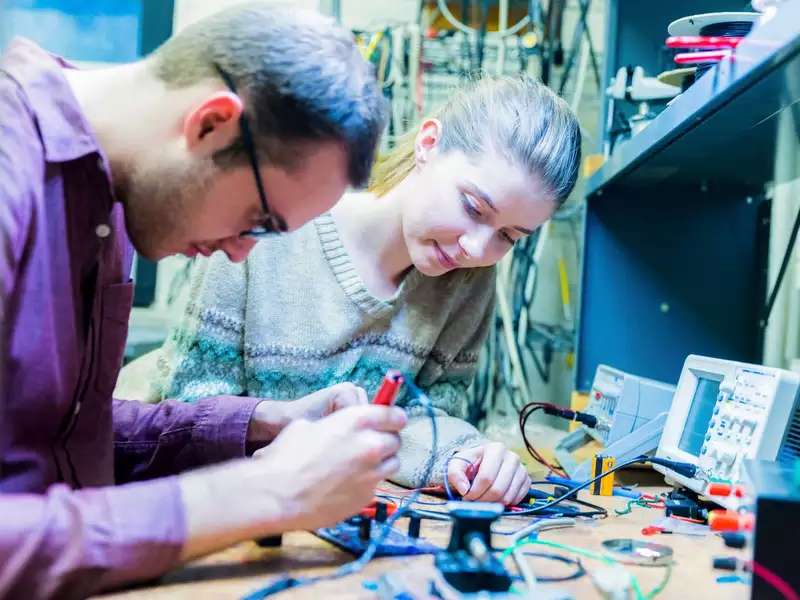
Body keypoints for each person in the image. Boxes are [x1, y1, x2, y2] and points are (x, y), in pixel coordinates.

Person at [0, 5, 404, 598]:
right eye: (258, 222)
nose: (241, 254)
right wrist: (267, 493)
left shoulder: (115, 196)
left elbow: (49, 434)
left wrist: (263, 425)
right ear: (211, 123)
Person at [120, 74, 582, 506]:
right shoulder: (272, 229)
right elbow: (189, 407)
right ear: (428, 144)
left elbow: (425, 416)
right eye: (473, 208)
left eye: (509, 236)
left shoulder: (469, 279)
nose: (475, 246)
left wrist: (465, 456)